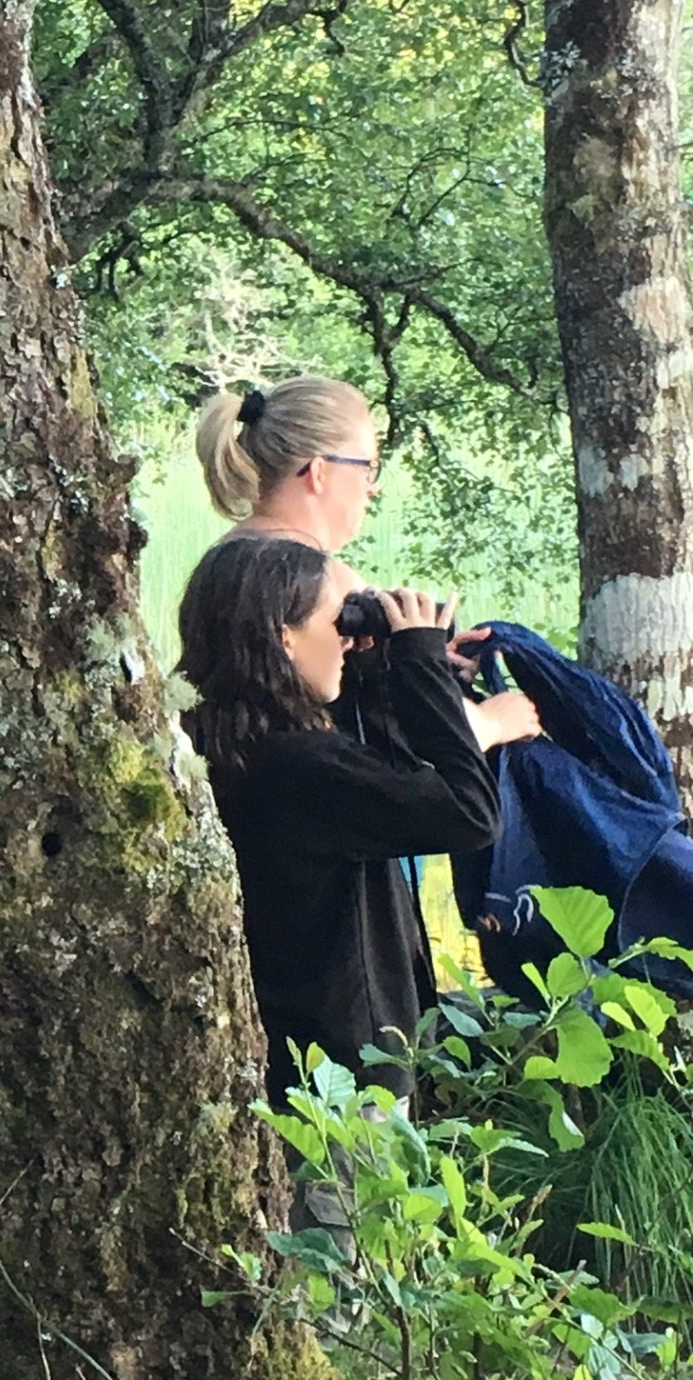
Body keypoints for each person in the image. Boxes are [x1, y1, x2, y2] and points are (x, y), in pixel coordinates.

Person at [175, 536, 503, 1107]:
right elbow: (469, 813)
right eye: (340, 625)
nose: (348, 642)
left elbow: (381, 769)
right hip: (346, 1088)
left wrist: (378, 670)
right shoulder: (303, 767)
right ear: (284, 636)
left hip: (291, 1059)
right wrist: (420, 665)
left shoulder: (219, 743)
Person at [195, 376, 541, 752]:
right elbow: (421, 733)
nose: (372, 487)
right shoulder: (324, 583)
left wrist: (419, 656)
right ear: (320, 472)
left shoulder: (221, 561)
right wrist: (496, 721)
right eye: (367, 467)